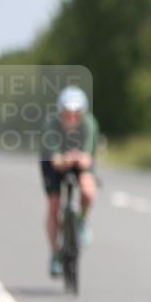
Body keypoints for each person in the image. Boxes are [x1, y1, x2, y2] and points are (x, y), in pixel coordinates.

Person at [40, 86, 99, 277]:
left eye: (77, 113)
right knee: (54, 205)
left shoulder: (89, 124)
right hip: (54, 162)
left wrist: (79, 159)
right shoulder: (51, 124)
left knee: (88, 191)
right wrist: (64, 160)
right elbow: (55, 161)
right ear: (61, 112)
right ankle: (55, 253)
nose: (72, 117)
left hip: (78, 160)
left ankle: (81, 221)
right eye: (68, 113)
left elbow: (88, 157)